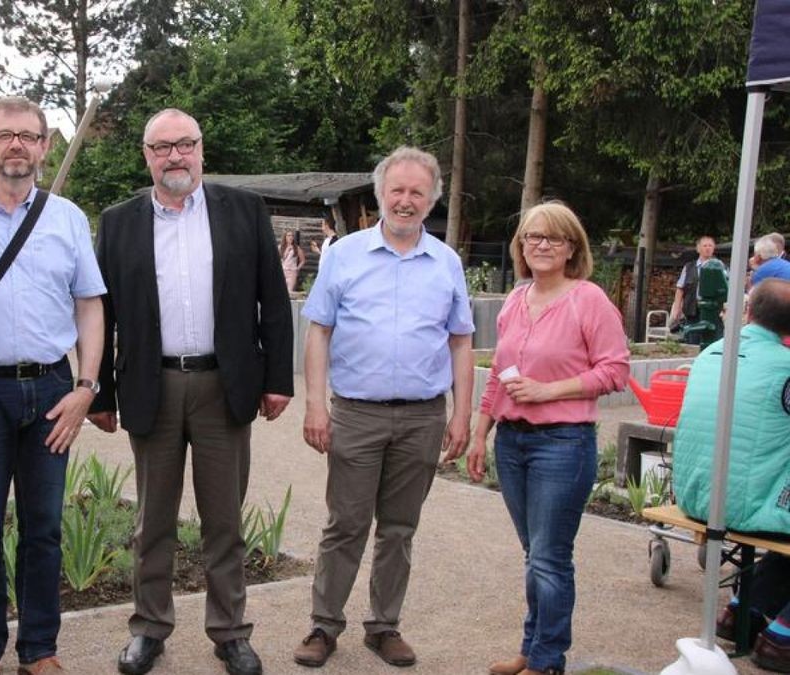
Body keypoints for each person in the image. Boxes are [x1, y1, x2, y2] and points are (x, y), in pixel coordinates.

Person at [88, 108, 294, 675]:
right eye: (162, 147)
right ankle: (149, 629)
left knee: (223, 519)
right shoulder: (120, 220)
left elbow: (272, 303)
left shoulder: (244, 211)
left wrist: (277, 380)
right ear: (146, 155)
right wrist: (101, 392)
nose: (175, 156)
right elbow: (100, 314)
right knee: (152, 520)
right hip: (150, 385)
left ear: (202, 149)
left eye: (185, 144)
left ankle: (230, 632)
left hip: (223, 386)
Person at [0, 96, 105, 675]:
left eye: (28, 136)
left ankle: (39, 649)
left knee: (45, 527)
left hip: (53, 390)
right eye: (5, 135)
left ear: (44, 146)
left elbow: (89, 304)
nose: (17, 146)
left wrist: (86, 385)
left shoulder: (68, 218)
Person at [293, 147, 474, 669]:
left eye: (418, 192)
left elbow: (461, 341)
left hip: (422, 416)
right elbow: (318, 330)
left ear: (432, 199)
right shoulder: (344, 255)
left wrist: (461, 414)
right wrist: (314, 405)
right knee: (345, 524)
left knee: (399, 529)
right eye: (397, 190)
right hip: (356, 412)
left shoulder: (446, 263)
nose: (406, 200)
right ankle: (324, 626)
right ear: (381, 195)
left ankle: (384, 625)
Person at [466, 202, 629, 675]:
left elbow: (615, 370)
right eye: (532, 237)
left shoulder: (588, 299)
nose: (541, 245)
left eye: (553, 238)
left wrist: (547, 391)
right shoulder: (516, 301)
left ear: (572, 247)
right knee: (534, 555)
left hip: (562, 444)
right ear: (520, 246)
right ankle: (532, 649)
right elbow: (498, 373)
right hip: (511, 444)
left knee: (550, 558)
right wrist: (481, 434)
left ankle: (548, 660)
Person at [670, 278, 790, 672]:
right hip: (740, 505)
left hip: (695, 493)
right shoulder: (785, 367)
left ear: (748, 312)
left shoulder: (710, 354)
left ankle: (744, 609)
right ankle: (781, 638)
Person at [668, 235, 720, 329]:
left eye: (710, 246)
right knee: (692, 338)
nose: (708, 248)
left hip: (712, 312)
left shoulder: (720, 267)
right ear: (698, 249)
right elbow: (680, 289)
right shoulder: (689, 267)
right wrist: (676, 309)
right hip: (692, 310)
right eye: (705, 246)